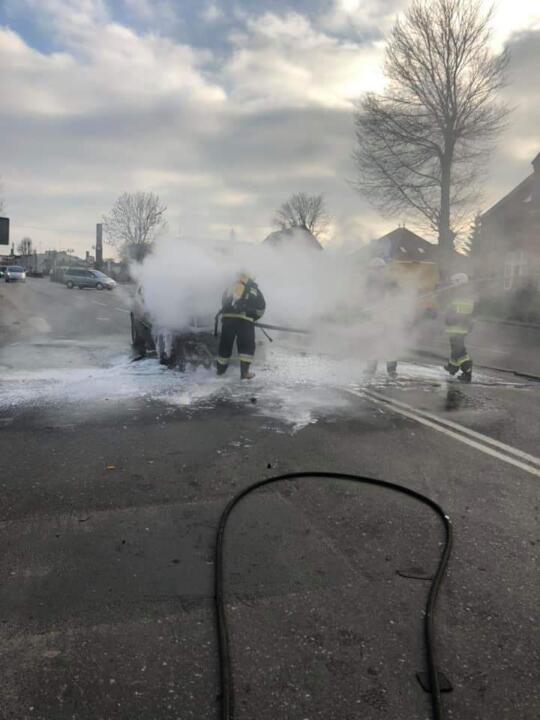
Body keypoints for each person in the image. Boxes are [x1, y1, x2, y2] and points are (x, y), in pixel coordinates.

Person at [216, 272, 266, 380]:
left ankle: (220, 372)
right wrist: (253, 317)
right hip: (245, 322)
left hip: (228, 321)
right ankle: (244, 373)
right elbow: (261, 309)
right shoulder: (254, 290)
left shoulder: (230, 287)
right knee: (246, 347)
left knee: (225, 346)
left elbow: (223, 302)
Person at [364, 257, 399, 379]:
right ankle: (373, 367)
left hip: (387, 317)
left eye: (376, 269)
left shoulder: (388, 281)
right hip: (378, 316)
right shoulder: (371, 282)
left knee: (387, 342)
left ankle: (390, 369)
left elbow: (397, 297)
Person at [444, 272, 475, 383]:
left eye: (453, 283)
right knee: (455, 348)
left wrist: (449, 317)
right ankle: (452, 367)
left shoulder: (459, 294)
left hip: (457, 328)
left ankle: (467, 371)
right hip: (459, 328)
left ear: (458, 282)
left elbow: (453, 310)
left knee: (459, 351)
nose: (451, 285)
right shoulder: (465, 294)